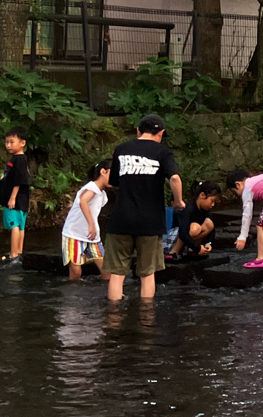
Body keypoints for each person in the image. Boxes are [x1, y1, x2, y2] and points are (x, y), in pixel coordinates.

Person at [102, 113, 184, 301]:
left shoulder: (122, 149)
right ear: (160, 133)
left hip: (121, 219)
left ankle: (113, 314)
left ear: (138, 131)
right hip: (150, 221)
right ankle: (146, 315)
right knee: (147, 274)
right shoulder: (162, 152)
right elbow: (174, 178)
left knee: (117, 274)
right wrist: (178, 201)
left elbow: (114, 181)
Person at [61, 160, 110, 281]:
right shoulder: (92, 187)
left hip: (91, 236)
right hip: (74, 234)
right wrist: (91, 224)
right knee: (76, 272)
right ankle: (73, 291)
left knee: (106, 270)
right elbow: (83, 201)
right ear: (103, 172)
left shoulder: (102, 194)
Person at [0, 125, 30, 263]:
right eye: (7, 142)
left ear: (22, 143)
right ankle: (19, 252)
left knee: (14, 225)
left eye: (12, 142)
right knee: (20, 225)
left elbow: (19, 180)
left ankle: (14, 254)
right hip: (21, 199)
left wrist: (12, 198)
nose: (8, 145)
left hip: (15, 199)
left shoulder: (19, 159)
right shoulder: (18, 158)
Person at [166, 181, 219, 258]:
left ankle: (191, 250)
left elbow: (212, 229)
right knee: (195, 227)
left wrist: (209, 243)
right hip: (174, 237)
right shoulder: (188, 208)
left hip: (187, 240)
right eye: (212, 201)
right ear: (202, 195)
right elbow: (183, 233)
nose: (213, 205)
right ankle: (173, 252)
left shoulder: (204, 210)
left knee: (209, 223)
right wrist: (198, 248)